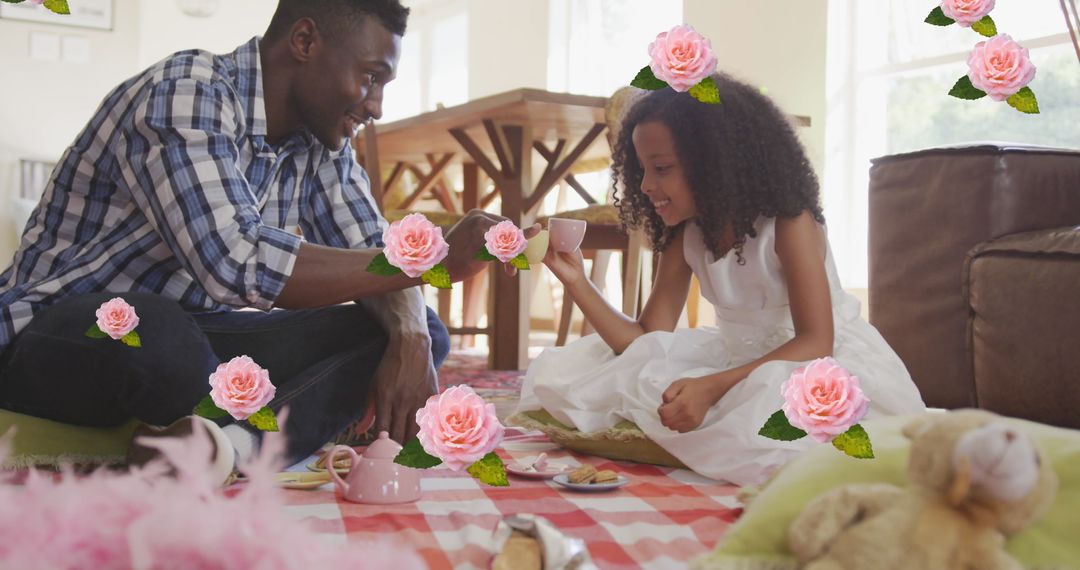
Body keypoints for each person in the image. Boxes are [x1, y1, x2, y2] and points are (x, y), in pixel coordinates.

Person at [0, 0, 529, 479]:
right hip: (59, 332)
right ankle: (263, 429)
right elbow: (235, 264)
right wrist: (426, 259)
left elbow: (372, 248)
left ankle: (232, 447)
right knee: (151, 326)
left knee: (416, 331)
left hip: (195, 335)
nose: (376, 106)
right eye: (371, 77)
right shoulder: (187, 92)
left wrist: (410, 335)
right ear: (304, 42)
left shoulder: (321, 143)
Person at [517, 74, 925, 485]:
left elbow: (816, 342)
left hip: (812, 360)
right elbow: (643, 339)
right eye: (642, 170)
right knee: (599, 375)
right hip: (733, 358)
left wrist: (712, 386)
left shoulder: (789, 224)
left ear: (717, 164)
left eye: (661, 168)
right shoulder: (686, 234)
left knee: (765, 427)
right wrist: (576, 280)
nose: (645, 185)